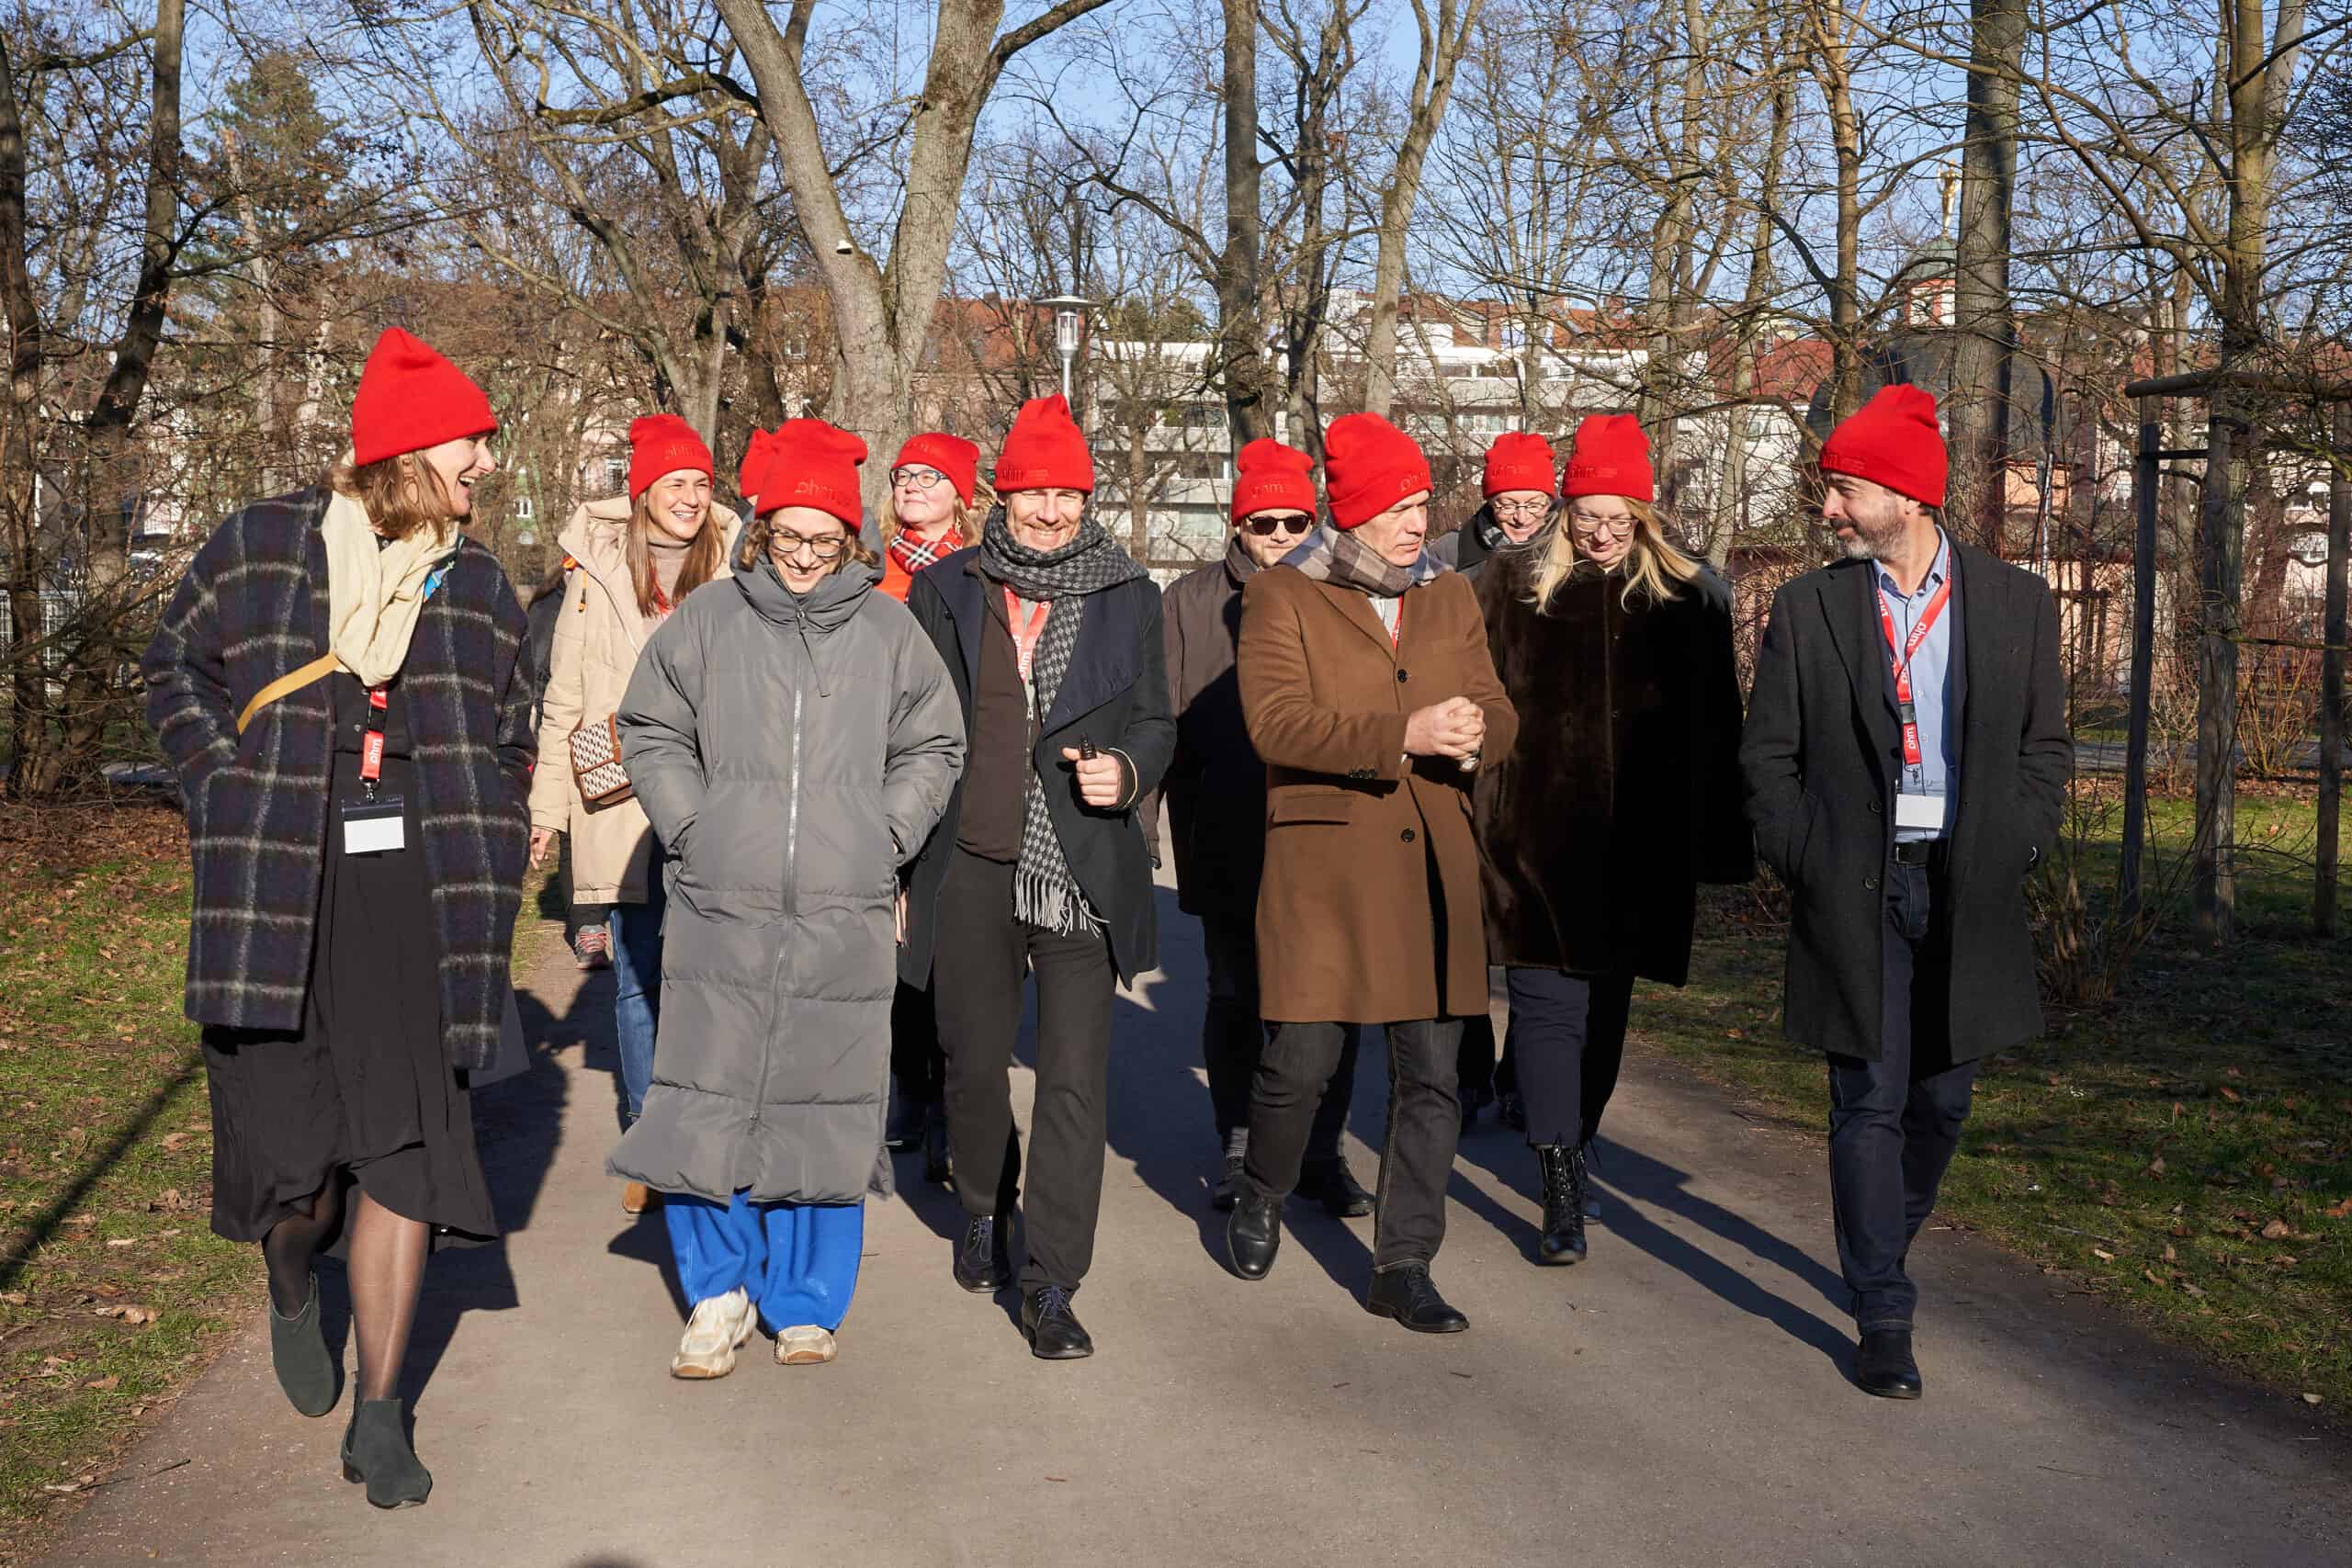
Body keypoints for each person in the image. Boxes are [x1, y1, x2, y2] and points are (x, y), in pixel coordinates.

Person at [142, 327, 532, 1508]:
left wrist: (502, 805)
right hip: (279, 879)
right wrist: (222, 784)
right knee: (298, 1164)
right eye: (474, 442)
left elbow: (510, 727)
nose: (486, 466)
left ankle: (379, 1417)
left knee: (404, 1155)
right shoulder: (263, 544)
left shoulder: (479, 585)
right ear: (413, 447)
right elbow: (172, 670)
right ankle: (289, 1274)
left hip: (421, 894)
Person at [610, 418, 965, 1378]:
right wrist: (694, 826)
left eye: (824, 541)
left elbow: (935, 745)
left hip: (842, 908)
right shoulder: (709, 621)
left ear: (850, 541)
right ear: (761, 534)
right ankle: (717, 1294)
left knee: (825, 1098)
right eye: (787, 539)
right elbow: (647, 727)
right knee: (708, 1098)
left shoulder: (891, 630)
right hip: (721, 901)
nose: (804, 560)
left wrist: (884, 834)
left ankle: (806, 1301)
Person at [1739, 385, 2069, 1400]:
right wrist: (1805, 854)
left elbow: (2044, 750)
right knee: (1867, 1097)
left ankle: (1884, 1229)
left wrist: (2013, 841)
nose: (1829, 509)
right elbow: (1768, 757)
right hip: (1855, 886)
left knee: (1943, 1100)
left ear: (1905, 494)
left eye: (1844, 489)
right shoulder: (1809, 609)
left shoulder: (2016, 604)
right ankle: (1882, 1304)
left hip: (1965, 886)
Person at [1223, 412, 1518, 1334]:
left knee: (1431, 1076)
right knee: (1300, 1063)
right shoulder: (1284, 594)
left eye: (1423, 502)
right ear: (1349, 515)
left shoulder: (1450, 595)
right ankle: (1264, 1189)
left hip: (1433, 862)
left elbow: (1500, 709)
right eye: (1398, 504)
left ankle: (1404, 1263)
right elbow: (1276, 726)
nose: (1415, 521)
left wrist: (1474, 737)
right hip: (1324, 866)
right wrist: (1403, 735)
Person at [901, 394, 1174, 1360]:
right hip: (968, 862)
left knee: (1070, 1084)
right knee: (970, 1064)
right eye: (1033, 493)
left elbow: (1155, 720)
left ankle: (1051, 1281)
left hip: (1080, 872)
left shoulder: (1128, 594)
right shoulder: (949, 589)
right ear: (1001, 495)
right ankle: (982, 1201)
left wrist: (1129, 772)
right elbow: (914, 729)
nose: (1051, 511)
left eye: (1068, 493)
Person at [1474, 414, 1752, 1267]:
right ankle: (1561, 1184)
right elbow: (1475, 700)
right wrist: (1479, 814)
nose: (1599, 531)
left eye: (1617, 515)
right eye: (1585, 512)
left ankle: (1577, 1134)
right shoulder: (1508, 586)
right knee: (1549, 1010)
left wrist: (1718, 846)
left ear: (1644, 512)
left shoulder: (1689, 599)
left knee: (1605, 1019)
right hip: (1535, 842)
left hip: (1639, 849)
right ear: (1563, 508)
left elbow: (1717, 730)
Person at [527, 415, 740, 1216]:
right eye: (676, 483)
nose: (691, 497)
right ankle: (653, 1142)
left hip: (714, 803)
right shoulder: (595, 575)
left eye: (701, 483)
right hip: (618, 804)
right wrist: (546, 808)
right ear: (644, 490)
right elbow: (565, 699)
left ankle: (709, 1131)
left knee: (710, 976)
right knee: (638, 978)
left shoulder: (732, 571)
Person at [1156, 437, 1371, 1216]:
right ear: (1236, 525)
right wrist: (1144, 831)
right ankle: (1241, 1143)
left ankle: (1322, 1150)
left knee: (1330, 998)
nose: (1279, 537)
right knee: (1237, 992)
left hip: (1323, 831)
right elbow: (1164, 717)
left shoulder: (1342, 591)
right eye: (1263, 523)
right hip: (1226, 827)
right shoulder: (1188, 599)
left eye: (1294, 523)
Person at [876, 431, 988, 1185]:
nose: (913, 484)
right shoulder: (869, 571)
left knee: (946, 941)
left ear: (962, 494)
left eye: (930, 475)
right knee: (889, 938)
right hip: (879, 771)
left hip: (958, 773)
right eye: (904, 474)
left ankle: (950, 1105)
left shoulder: (978, 575)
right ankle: (906, 1089)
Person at [1443, 430, 1559, 1131]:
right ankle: (1466, 1071)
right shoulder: (1451, 559)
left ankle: (1520, 1073)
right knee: (1463, 931)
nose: (1519, 516)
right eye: (1507, 502)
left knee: (1530, 934)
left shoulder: (1570, 560)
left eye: (1533, 502)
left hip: (1541, 771)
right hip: (1468, 763)